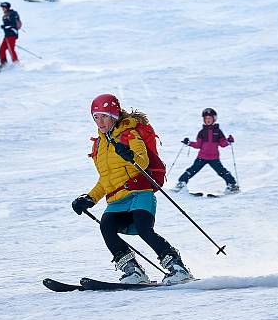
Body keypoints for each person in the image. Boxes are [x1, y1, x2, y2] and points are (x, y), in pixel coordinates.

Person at [72, 94, 194, 285]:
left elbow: (143, 161)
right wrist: (90, 198)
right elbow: (105, 179)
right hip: (117, 200)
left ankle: (178, 268)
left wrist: (129, 154)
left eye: (104, 116)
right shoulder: (99, 144)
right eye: (96, 117)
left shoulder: (129, 133)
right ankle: (133, 271)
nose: (100, 121)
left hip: (139, 193)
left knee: (144, 228)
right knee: (107, 227)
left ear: (114, 115)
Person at [175, 108, 239, 194]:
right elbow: (198, 145)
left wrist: (228, 141)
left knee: (222, 172)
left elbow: (222, 144)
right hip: (202, 157)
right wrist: (189, 143)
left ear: (214, 119)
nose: (208, 120)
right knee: (192, 170)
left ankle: (232, 185)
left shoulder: (218, 132)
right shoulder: (202, 132)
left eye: (210, 118)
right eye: (206, 119)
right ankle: (181, 183)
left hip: (214, 158)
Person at [0, 1, 20, 71]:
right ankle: (3, 63)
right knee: (2, 49)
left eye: (3, 7)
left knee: (11, 49)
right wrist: (5, 27)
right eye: (2, 7)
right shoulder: (6, 15)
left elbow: (13, 25)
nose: (2, 9)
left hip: (12, 34)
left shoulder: (12, 14)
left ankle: (16, 63)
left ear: (7, 7)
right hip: (7, 35)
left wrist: (5, 26)